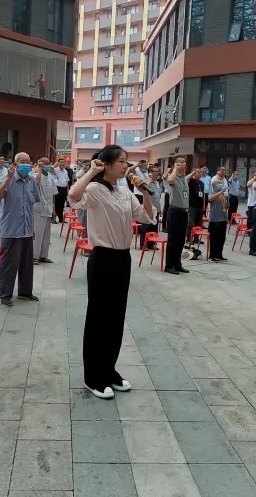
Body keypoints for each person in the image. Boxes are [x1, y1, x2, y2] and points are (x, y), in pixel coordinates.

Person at [69, 145, 155, 399]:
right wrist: (91, 171)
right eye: (120, 161)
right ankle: (92, 376)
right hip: (103, 258)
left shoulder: (125, 192)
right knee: (98, 317)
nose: (125, 165)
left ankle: (109, 370)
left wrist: (145, 192)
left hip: (122, 258)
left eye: (126, 161)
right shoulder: (95, 190)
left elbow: (147, 217)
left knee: (116, 317)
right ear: (106, 164)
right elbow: (73, 196)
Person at [0, 152, 41, 306]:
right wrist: (7, 180)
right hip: (11, 229)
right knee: (8, 264)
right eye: (22, 161)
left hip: (27, 229)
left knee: (27, 264)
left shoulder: (31, 181)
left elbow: (32, 205)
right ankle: (4, 294)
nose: (26, 164)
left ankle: (25, 292)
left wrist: (32, 228)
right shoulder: (7, 179)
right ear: (15, 164)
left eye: (28, 161)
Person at [164, 158, 189, 274]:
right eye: (182, 162)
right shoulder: (173, 176)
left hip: (184, 212)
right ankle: (169, 265)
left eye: (185, 162)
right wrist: (175, 168)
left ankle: (177, 264)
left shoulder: (183, 178)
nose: (185, 164)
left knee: (181, 240)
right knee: (173, 240)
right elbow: (170, 181)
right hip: (174, 212)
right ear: (177, 164)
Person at [33, 157, 58, 264]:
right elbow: (37, 182)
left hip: (48, 209)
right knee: (37, 234)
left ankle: (43, 255)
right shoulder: (35, 175)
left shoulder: (51, 178)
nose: (47, 166)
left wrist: (54, 209)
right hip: (39, 209)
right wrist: (39, 169)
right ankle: (34, 256)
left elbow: (53, 194)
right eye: (44, 164)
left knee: (46, 235)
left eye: (48, 164)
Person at [139, 165, 165, 250]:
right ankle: (143, 244)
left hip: (156, 207)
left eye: (158, 171)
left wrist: (159, 208)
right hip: (149, 208)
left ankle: (151, 244)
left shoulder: (157, 182)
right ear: (151, 172)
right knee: (146, 227)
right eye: (155, 171)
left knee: (154, 227)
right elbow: (144, 187)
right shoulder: (148, 181)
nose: (157, 173)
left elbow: (158, 196)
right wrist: (150, 178)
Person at [207, 172, 229, 262]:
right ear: (214, 186)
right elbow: (210, 199)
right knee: (214, 239)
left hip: (223, 218)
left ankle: (219, 255)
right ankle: (212, 256)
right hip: (215, 220)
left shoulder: (223, 195)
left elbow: (226, 206)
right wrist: (220, 192)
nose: (220, 185)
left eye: (221, 183)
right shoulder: (212, 193)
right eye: (218, 183)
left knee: (221, 238)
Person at [186, 166, 206, 257]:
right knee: (190, 223)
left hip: (200, 206)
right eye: (198, 172)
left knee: (198, 223)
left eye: (201, 172)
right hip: (192, 205)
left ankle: (196, 238)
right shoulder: (191, 181)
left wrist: (204, 205)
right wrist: (192, 175)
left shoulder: (201, 183)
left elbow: (203, 194)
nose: (200, 174)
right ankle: (188, 238)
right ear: (194, 173)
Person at [53, 157, 72, 223]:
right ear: (58, 163)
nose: (62, 163)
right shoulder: (55, 170)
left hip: (64, 189)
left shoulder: (65, 171)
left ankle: (61, 219)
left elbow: (67, 181)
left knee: (62, 204)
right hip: (57, 188)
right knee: (56, 204)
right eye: (61, 162)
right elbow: (50, 169)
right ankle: (54, 218)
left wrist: (67, 191)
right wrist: (55, 164)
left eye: (63, 162)